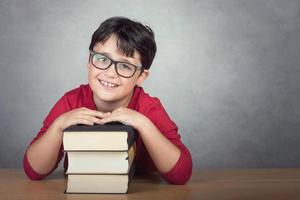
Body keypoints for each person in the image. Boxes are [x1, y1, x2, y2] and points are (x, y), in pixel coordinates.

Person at [23, 16, 192, 184]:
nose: (110, 73)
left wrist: (144, 124)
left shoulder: (149, 108)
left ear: (141, 76)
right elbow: (34, 171)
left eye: (125, 65)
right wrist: (58, 127)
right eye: (102, 59)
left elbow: (181, 174)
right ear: (89, 61)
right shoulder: (71, 101)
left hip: (139, 190)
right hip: (83, 188)